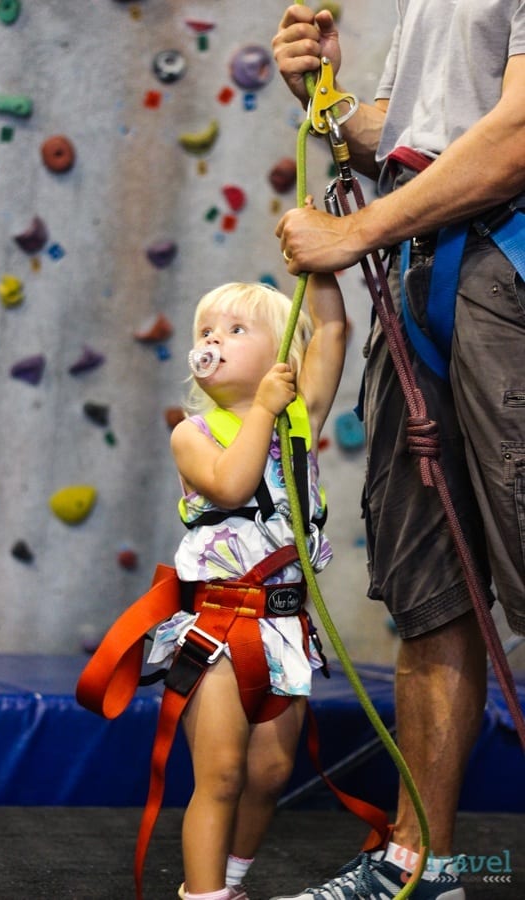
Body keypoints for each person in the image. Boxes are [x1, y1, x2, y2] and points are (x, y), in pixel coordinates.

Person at [269, 3, 525, 900]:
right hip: (426, 274)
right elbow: (423, 139)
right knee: (432, 594)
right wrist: (331, 98)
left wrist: (353, 233)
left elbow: (518, 132)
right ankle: (422, 867)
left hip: (510, 273)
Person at [146, 270, 346, 900]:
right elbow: (231, 486)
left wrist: (324, 267)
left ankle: (232, 879)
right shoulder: (192, 434)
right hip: (221, 628)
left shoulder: (298, 420)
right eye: (207, 330)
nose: (215, 339)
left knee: (269, 772)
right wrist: (260, 406)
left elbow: (334, 329)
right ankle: (203, 894)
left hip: (284, 624)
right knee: (224, 773)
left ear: (282, 356)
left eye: (236, 329)